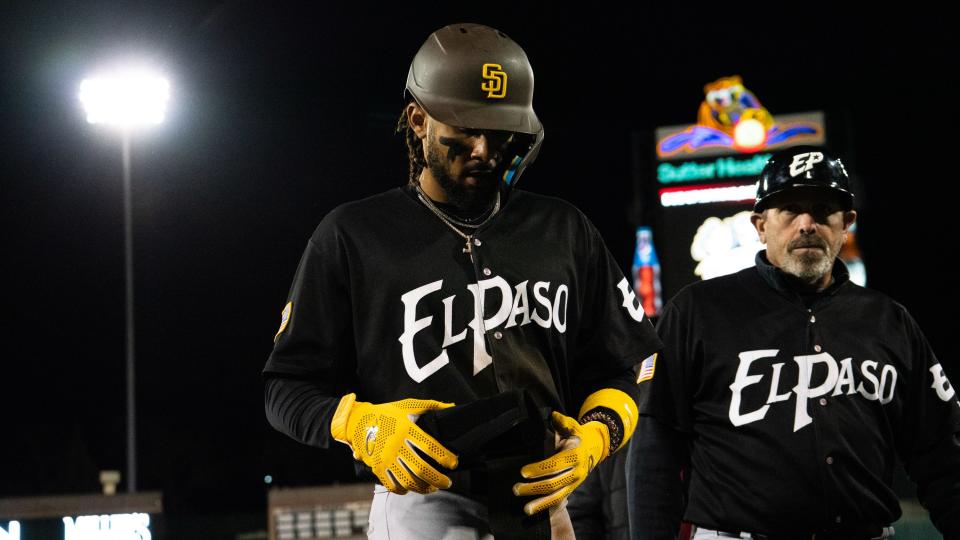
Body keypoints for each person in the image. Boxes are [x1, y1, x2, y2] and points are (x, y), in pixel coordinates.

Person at [263, 23, 661, 539]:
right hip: (424, 501)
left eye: (499, 133)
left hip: (542, 503)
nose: (482, 149)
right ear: (417, 120)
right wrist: (359, 425)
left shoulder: (562, 229)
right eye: (464, 129)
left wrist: (594, 438)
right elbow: (285, 387)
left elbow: (633, 362)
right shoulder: (354, 234)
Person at [628, 146, 960, 539]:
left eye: (822, 211)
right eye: (789, 209)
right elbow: (655, 449)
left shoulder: (890, 321)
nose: (807, 224)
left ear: (846, 223)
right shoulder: (697, 312)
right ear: (760, 224)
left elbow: (944, 456)